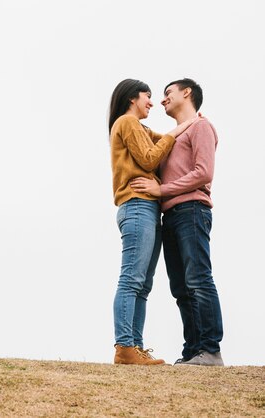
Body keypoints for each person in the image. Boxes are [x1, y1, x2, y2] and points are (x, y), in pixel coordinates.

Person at [131, 78, 224, 366]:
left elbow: (203, 172)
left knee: (198, 279)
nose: (161, 100)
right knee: (181, 288)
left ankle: (210, 350)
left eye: (167, 93)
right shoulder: (172, 137)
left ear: (187, 93)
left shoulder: (201, 127)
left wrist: (161, 190)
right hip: (170, 216)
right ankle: (193, 352)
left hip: (192, 210)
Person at [108, 79, 198, 365]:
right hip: (136, 206)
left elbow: (164, 140)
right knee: (132, 279)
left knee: (143, 284)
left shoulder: (141, 128)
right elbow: (149, 159)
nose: (151, 102)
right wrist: (177, 133)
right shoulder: (127, 122)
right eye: (148, 96)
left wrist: (188, 124)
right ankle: (124, 346)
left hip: (145, 209)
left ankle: (134, 346)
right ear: (133, 98)